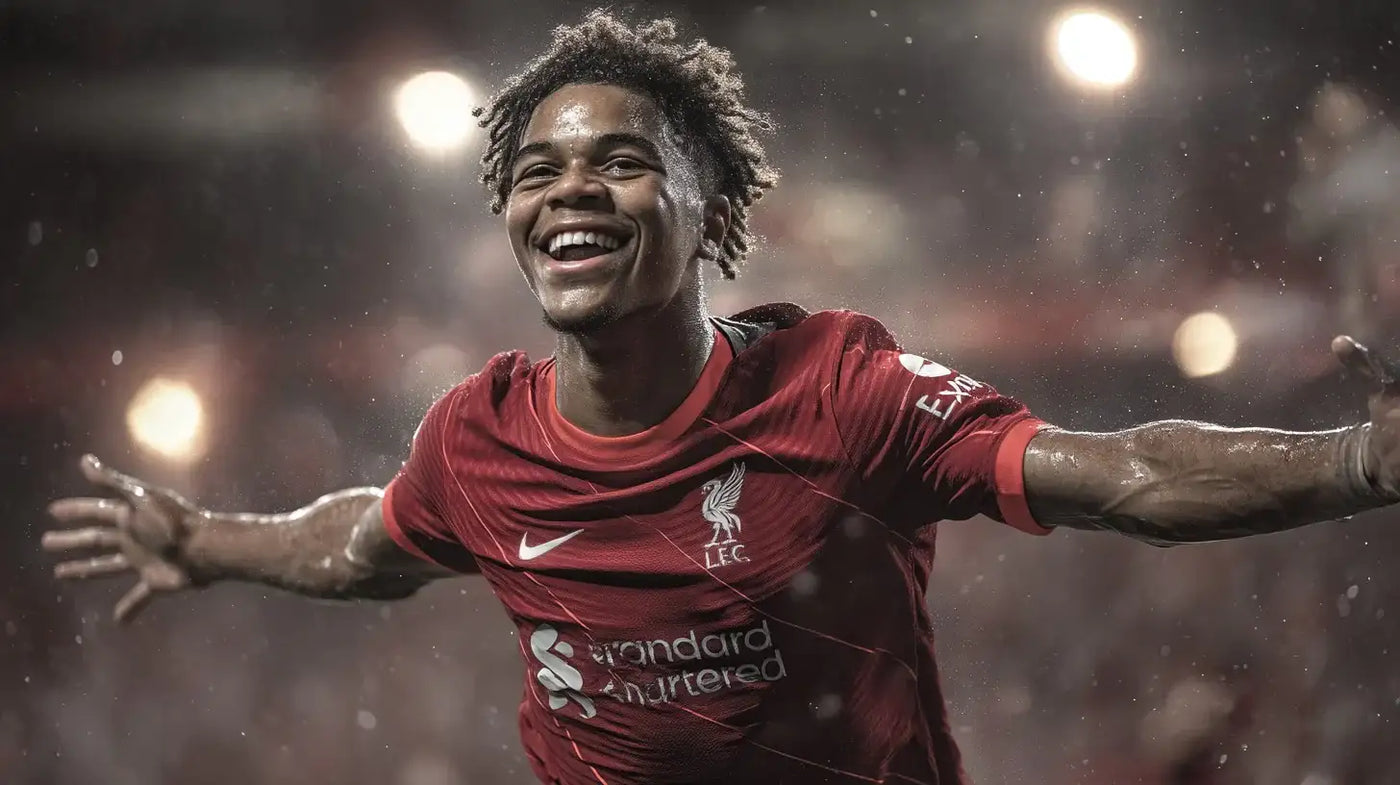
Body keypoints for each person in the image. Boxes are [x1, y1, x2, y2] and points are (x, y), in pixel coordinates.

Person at [41, 10, 1400, 785]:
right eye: (538, 170)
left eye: (623, 160)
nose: (570, 186)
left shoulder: (841, 392)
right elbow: (362, 546)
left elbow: (1125, 477)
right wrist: (204, 544)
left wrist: (1354, 462)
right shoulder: (479, 436)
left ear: (711, 208)